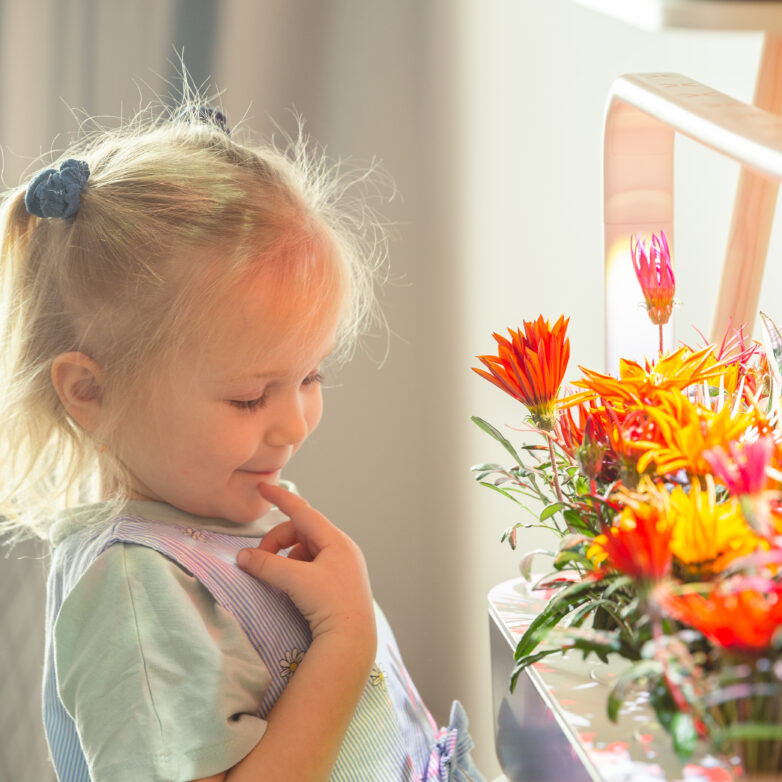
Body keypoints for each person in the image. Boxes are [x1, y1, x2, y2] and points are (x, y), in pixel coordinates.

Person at [0, 99, 485, 782]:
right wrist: (345, 644)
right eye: (250, 397)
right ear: (90, 393)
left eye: (310, 375)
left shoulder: (217, 511)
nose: (294, 424)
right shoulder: (133, 597)